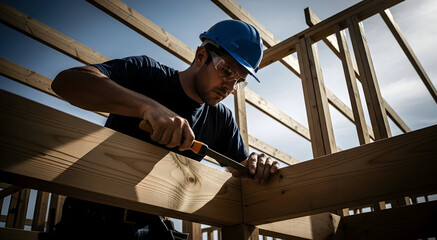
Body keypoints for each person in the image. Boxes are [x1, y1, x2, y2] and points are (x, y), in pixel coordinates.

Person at [45, 19, 280, 240]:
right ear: (201, 56)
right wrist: (146, 107)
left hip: (151, 225)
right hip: (90, 222)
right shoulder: (147, 74)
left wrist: (257, 165)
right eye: (227, 71)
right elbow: (67, 82)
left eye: (239, 80)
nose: (229, 86)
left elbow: (241, 170)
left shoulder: (221, 120)